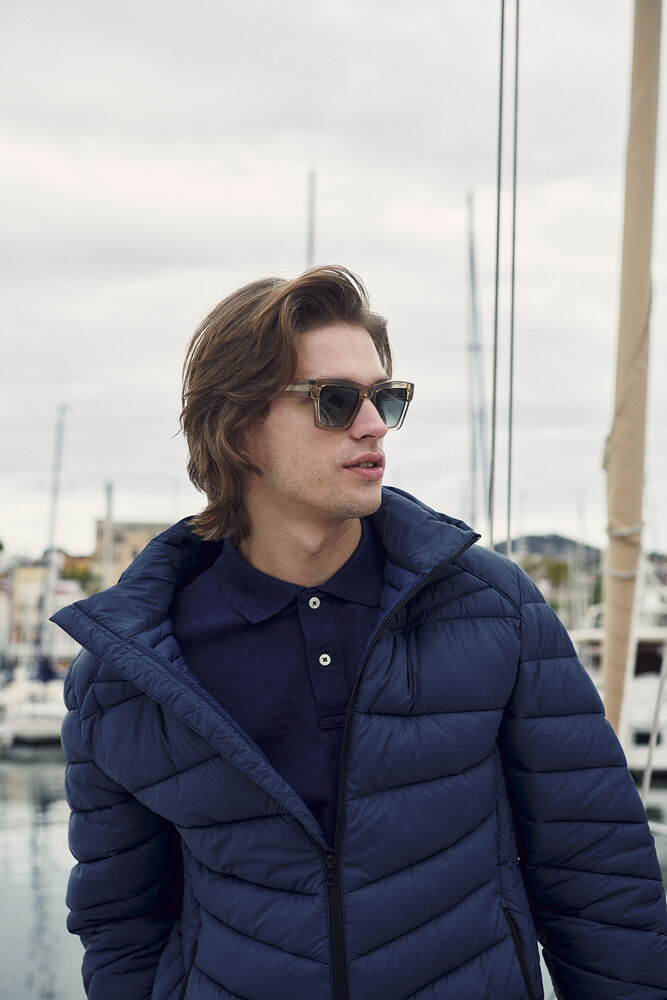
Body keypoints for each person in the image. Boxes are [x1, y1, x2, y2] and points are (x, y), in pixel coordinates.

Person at [54, 265, 667, 1000]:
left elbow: (597, 878)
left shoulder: (493, 608)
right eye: (335, 401)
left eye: (385, 397)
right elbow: (120, 926)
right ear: (238, 428)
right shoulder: (127, 673)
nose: (373, 424)